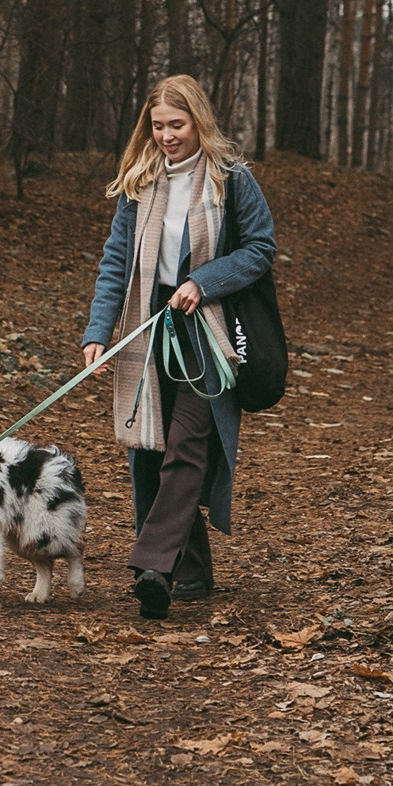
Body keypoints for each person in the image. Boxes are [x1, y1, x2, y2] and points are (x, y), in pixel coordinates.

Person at [81, 74, 276, 619]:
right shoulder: (140, 181)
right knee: (149, 449)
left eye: (177, 125)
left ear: (199, 121)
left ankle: (153, 566)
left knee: (188, 442)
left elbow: (261, 248)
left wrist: (205, 280)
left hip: (207, 325)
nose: (166, 136)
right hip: (148, 321)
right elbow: (116, 263)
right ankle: (189, 569)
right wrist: (99, 332)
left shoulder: (231, 180)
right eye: (158, 126)